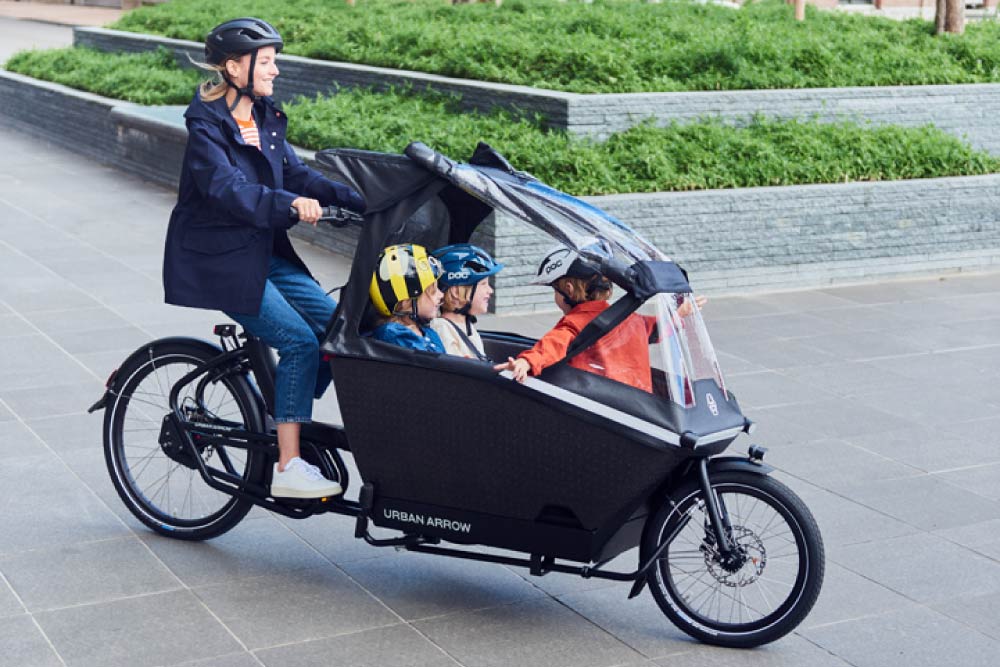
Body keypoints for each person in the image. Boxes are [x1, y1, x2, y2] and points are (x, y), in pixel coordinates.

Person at [162, 17, 365, 500]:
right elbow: (226, 190)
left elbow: (298, 174)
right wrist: (288, 205)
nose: (275, 71)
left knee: (341, 328)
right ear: (234, 66)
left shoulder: (266, 117)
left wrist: (367, 200)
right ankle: (288, 463)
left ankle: (280, 408)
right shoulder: (207, 125)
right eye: (267, 62)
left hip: (264, 250)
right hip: (221, 258)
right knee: (299, 343)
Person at [494, 243, 706, 392]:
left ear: (568, 288)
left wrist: (526, 361)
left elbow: (552, 345)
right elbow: (654, 330)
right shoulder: (629, 318)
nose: (556, 297)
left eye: (555, 291)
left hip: (599, 405)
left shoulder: (575, 323)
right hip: (639, 403)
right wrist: (678, 316)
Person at [429, 244, 504, 360]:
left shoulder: (466, 326)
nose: (490, 290)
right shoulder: (442, 328)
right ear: (456, 292)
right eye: (483, 284)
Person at [369, 244, 446, 352]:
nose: (441, 295)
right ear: (405, 302)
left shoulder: (428, 332)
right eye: (433, 291)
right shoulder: (393, 334)